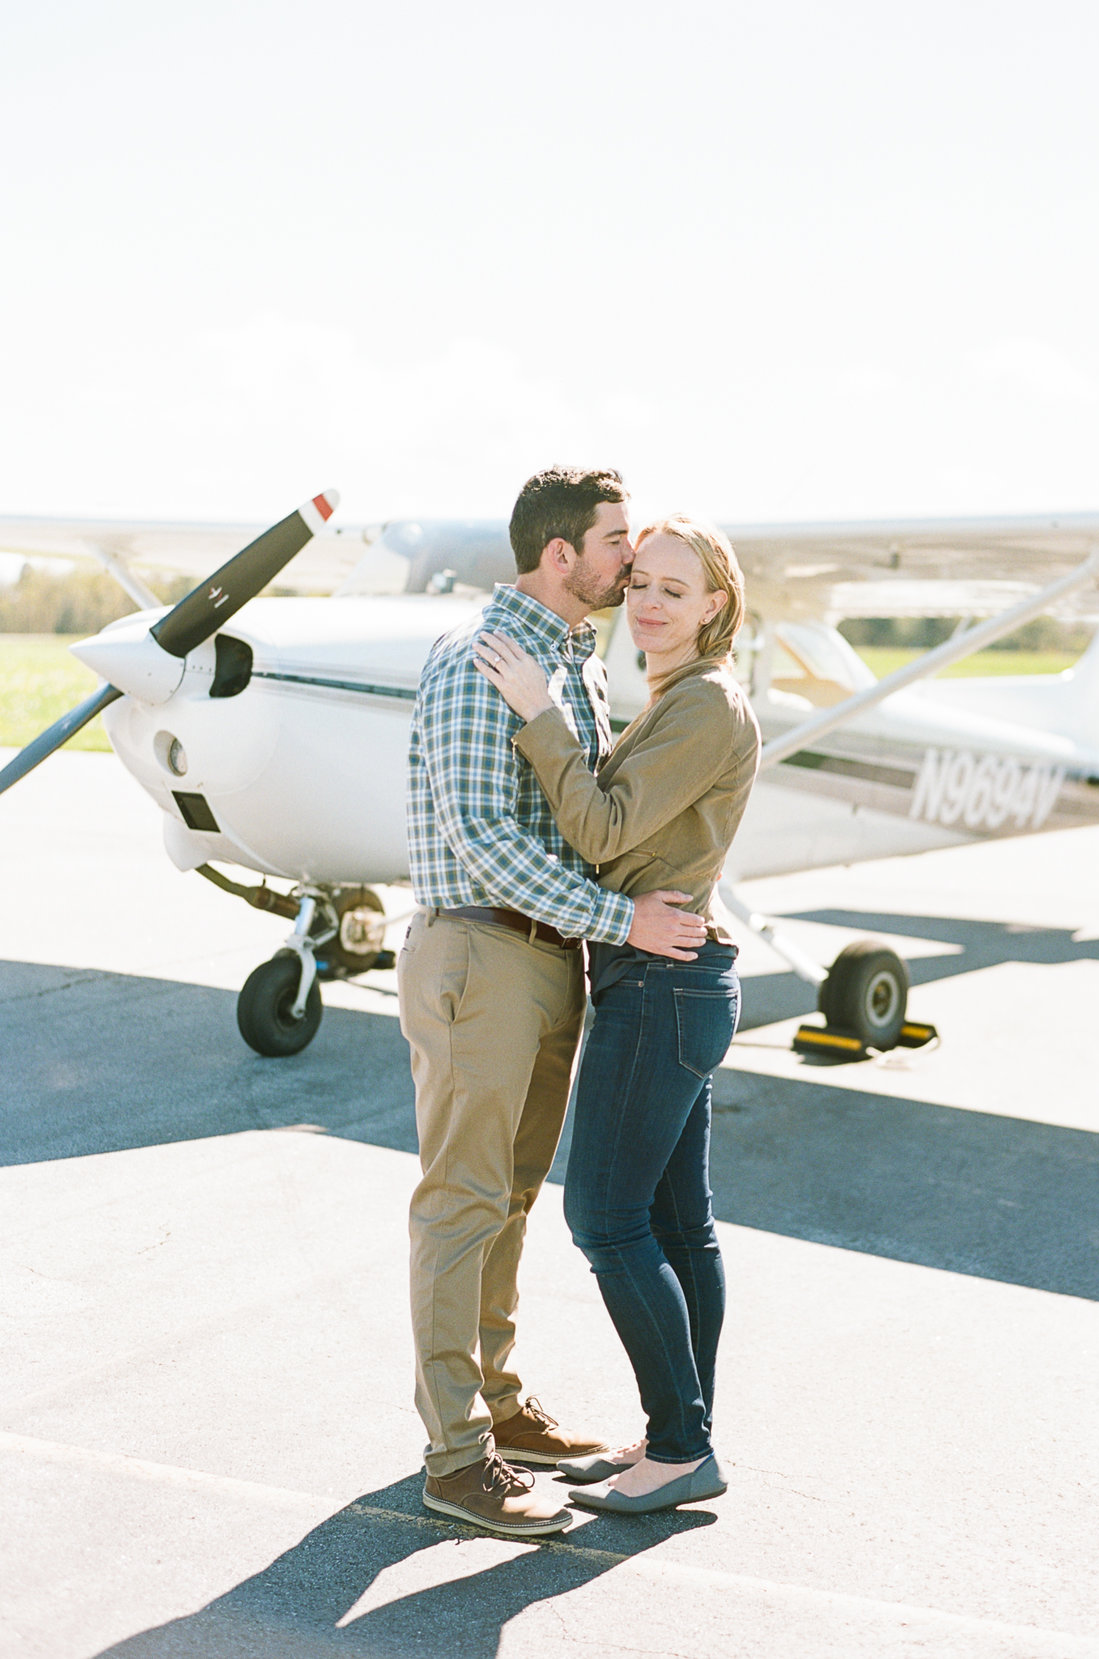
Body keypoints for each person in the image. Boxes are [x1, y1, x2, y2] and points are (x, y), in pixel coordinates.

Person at [402, 467, 711, 1536]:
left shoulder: (566, 664)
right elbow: (484, 839)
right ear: (561, 554)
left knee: (512, 1197)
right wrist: (624, 922)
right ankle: (454, 1457)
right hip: (480, 955)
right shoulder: (478, 662)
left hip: (545, 958)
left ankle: (499, 1408)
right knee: (461, 1201)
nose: (633, 559)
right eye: (618, 538)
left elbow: (587, 819)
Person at [472, 512, 761, 1515]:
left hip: (661, 988)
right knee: (681, 1227)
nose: (646, 601)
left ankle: (682, 1446)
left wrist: (535, 710)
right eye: (638, 581)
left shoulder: (703, 710)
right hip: (669, 983)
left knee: (603, 1215)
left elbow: (595, 837)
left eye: (674, 591)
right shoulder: (682, 699)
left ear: (715, 608)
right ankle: (677, 1436)